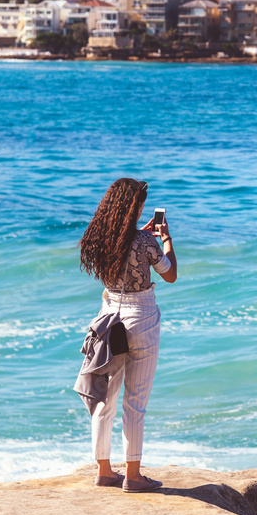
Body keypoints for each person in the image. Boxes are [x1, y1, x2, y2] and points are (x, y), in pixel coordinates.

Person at [77, 178, 177, 493]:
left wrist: (139, 234)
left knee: (105, 398)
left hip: (109, 319)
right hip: (142, 318)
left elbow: (124, 248)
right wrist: (166, 240)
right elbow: (170, 274)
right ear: (135, 206)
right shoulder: (146, 242)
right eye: (141, 203)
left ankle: (104, 470)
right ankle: (133, 476)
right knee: (135, 402)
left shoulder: (99, 237)